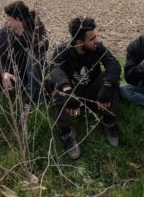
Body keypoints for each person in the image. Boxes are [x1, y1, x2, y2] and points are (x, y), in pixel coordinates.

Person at [51, 16, 121, 160]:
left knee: (111, 80)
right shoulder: (62, 51)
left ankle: (108, 122)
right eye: (92, 39)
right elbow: (55, 70)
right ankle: (66, 133)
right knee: (57, 89)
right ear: (79, 42)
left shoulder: (98, 48)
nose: (96, 40)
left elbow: (114, 64)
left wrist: (106, 87)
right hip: (74, 96)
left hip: (94, 93)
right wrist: (67, 91)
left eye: (96, 37)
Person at [0, 1, 49, 105]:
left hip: (36, 70)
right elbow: (0, 55)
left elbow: (44, 47)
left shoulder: (36, 24)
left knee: (33, 56)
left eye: (10, 20)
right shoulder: (4, 32)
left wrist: (23, 34)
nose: (7, 23)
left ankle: (34, 98)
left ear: (18, 20)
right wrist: (5, 72)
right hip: (17, 68)